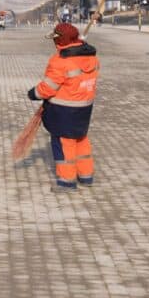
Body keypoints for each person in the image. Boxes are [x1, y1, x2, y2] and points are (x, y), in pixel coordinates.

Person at [28, 23, 99, 192]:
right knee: (81, 138)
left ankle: (67, 181)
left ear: (60, 41)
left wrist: (33, 93)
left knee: (64, 142)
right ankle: (86, 175)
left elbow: (48, 87)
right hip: (85, 106)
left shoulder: (60, 62)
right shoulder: (92, 57)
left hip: (64, 109)